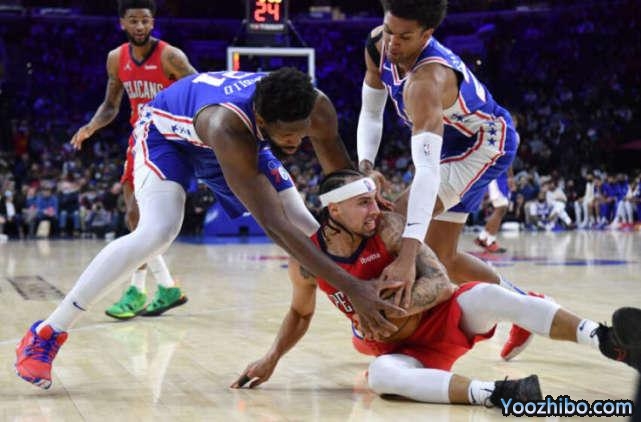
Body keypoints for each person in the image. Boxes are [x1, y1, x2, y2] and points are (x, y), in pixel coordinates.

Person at [15, 67, 405, 389]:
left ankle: (366, 321)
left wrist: (364, 196)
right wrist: (352, 286)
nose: (298, 141)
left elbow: (341, 182)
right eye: (289, 135)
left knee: (312, 227)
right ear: (263, 121)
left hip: (236, 135)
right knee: (158, 232)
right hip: (168, 138)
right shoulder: (227, 125)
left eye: (302, 132)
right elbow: (274, 224)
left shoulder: (314, 105)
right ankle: (47, 333)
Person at [232, 170, 641, 408]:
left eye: (374, 200)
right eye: (364, 204)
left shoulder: (389, 228)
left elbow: (442, 283)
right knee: (381, 377)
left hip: (443, 318)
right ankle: (499, 394)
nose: (377, 209)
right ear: (333, 209)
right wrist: (271, 358)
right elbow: (300, 313)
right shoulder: (308, 261)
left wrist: (384, 308)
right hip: (399, 350)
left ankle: (605, 339)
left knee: (488, 294)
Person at [355, 0, 536, 359]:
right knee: (445, 258)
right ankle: (526, 308)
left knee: (395, 222)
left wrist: (407, 257)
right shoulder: (377, 45)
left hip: (484, 144)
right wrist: (365, 167)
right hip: (448, 144)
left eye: (405, 37)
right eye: (389, 30)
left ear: (428, 34)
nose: (392, 43)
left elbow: (426, 173)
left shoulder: (427, 80)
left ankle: (404, 336)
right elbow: (371, 111)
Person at [70, 0, 198, 320]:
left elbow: (199, 91)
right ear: (122, 23)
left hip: (167, 140)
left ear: (153, 23)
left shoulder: (171, 56)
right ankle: (163, 287)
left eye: (145, 20)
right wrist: (90, 127)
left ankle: (140, 290)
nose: (139, 26)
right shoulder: (116, 58)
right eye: (133, 20)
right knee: (134, 217)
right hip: (139, 138)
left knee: (145, 220)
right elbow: (111, 105)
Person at [475, 171, 510, 253]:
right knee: (500, 209)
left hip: (502, 177)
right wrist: (511, 176)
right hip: (497, 177)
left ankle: (482, 237)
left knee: (501, 210)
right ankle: (490, 241)